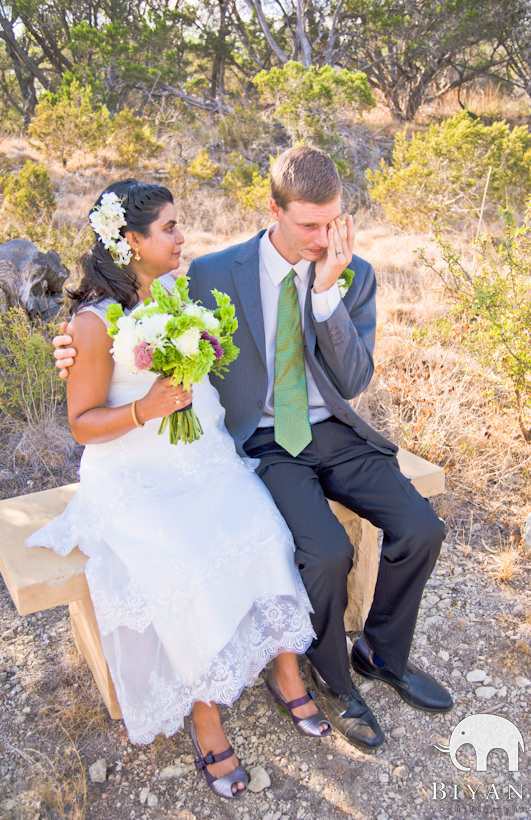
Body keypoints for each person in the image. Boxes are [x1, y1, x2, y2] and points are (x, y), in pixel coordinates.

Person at [54, 147, 453, 754]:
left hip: (337, 432)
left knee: (422, 527)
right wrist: (70, 346)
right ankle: (336, 684)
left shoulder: (358, 274)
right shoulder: (214, 273)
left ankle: (379, 652)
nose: (326, 238)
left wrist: (324, 298)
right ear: (274, 210)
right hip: (263, 439)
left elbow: (353, 380)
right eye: (311, 225)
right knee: (324, 553)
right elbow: (122, 313)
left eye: (335, 222)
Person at [31, 179, 332, 801]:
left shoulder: (173, 291)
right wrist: (147, 409)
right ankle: (205, 712)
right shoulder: (90, 324)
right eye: (169, 228)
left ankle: (283, 666)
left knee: (264, 532)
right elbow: (82, 425)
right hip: (135, 478)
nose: (181, 237)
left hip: (202, 457)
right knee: (189, 567)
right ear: (132, 241)